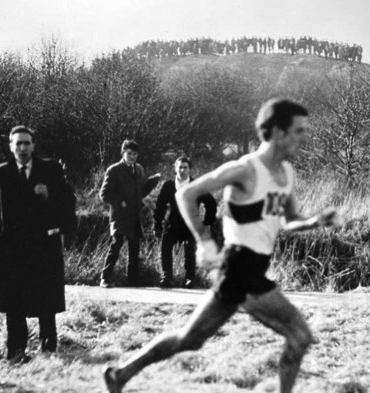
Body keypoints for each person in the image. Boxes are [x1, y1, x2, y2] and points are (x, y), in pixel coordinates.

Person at [104, 98, 341, 393]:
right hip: (241, 267)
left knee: (189, 339)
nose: (304, 137)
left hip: (246, 271)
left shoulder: (287, 173)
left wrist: (317, 220)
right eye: (299, 131)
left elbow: (290, 220)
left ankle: (121, 374)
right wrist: (204, 241)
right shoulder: (246, 169)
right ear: (278, 132)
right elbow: (186, 194)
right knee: (300, 335)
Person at [0, 125, 75, 362]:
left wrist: (48, 196)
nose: (22, 148)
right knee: (13, 302)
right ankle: (16, 352)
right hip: (13, 249)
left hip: (43, 247)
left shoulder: (50, 169)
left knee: (46, 302)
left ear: (33, 146)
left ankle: (49, 351)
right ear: (11, 146)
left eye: (26, 143)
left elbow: (68, 202)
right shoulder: (1, 173)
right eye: (17, 143)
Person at [99, 140, 161, 288]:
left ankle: (132, 282)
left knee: (134, 250)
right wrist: (120, 202)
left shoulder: (139, 169)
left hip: (134, 215)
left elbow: (141, 193)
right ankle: (104, 278)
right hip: (120, 215)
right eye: (129, 153)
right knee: (116, 245)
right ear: (123, 153)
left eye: (134, 154)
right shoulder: (114, 170)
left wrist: (152, 182)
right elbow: (104, 194)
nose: (132, 156)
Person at [153, 156, 217, 288]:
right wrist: (157, 224)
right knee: (165, 246)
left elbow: (211, 203)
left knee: (189, 248)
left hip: (190, 225)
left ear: (190, 169)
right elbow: (160, 206)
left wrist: (207, 222)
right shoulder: (168, 185)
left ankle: (190, 278)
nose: (182, 170)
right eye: (180, 167)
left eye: (185, 167)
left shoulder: (196, 185)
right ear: (175, 169)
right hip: (172, 223)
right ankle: (167, 277)